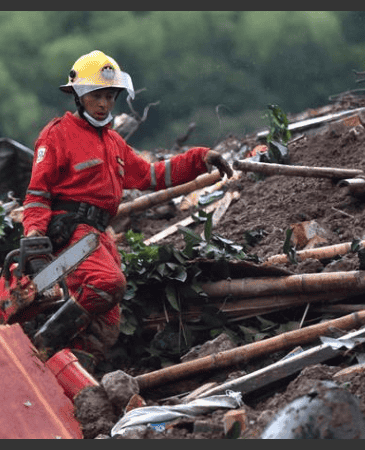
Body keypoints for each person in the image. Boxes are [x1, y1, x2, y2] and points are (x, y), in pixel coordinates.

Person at [21, 50, 233, 368]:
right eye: (97, 96)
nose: (104, 104)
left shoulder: (114, 143)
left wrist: (200, 158)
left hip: (99, 237)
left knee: (107, 326)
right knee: (109, 283)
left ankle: (69, 378)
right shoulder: (57, 136)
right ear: (79, 96)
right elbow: (37, 192)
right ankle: (42, 345)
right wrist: (35, 234)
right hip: (70, 233)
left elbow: (151, 175)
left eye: (109, 96)